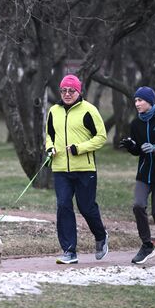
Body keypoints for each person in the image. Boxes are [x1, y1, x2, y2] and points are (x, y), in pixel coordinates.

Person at [45, 74, 109, 264]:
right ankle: (69, 251)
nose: (66, 94)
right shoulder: (54, 111)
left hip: (85, 168)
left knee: (86, 207)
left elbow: (101, 137)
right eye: (63, 90)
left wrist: (79, 148)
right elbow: (49, 135)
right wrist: (50, 148)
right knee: (63, 205)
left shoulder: (89, 110)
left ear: (78, 91)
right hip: (60, 168)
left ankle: (101, 236)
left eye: (71, 91)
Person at [119, 86, 155, 265]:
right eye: (135, 100)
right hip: (144, 174)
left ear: (150, 102)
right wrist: (131, 146)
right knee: (138, 206)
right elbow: (138, 151)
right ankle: (146, 246)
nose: (136, 103)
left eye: (140, 100)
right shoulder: (135, 124)